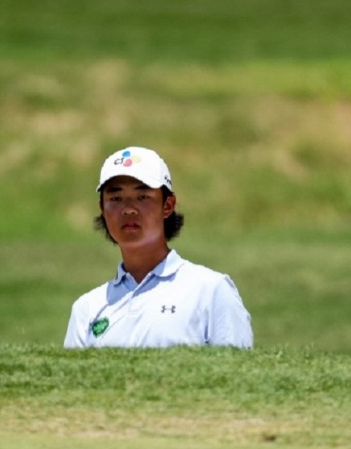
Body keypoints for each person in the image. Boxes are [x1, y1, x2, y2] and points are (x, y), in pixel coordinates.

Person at [64, 146, 253, 348]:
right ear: (102, 208)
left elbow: (237, 374)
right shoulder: (87, 308)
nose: (128, 209)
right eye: (115, 199)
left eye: (143, 197)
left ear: (168, 205)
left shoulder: (211, 290)